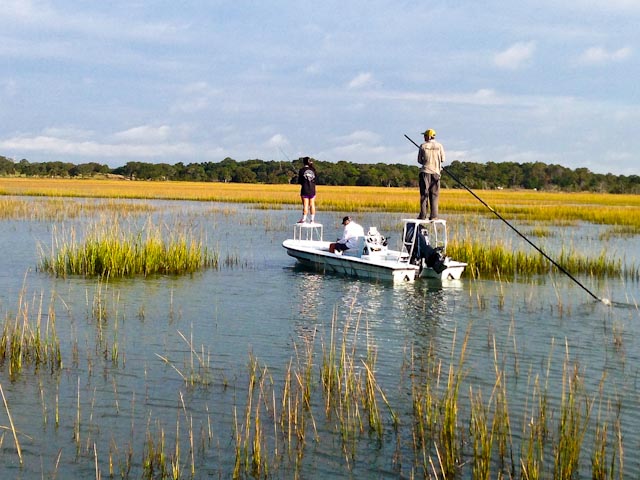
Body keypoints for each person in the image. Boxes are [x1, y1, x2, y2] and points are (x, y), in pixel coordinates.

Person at [417, 129, 445, 220]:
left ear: (429, 136)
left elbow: (419, 160)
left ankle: (423, 215)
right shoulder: (440, 146)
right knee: (434, 195)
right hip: (436, 173)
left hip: (425, 172)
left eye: (425, 135)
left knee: (424, 194)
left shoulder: (423, 146)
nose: (424, 137)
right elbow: (443, 159)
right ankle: (434, 216)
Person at [297, 156, 317, 223]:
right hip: (312, 189)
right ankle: (312, 220)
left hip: (305, 189)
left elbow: (300, 181)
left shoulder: (302, 170)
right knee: (312, 204)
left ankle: (304, 219)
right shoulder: (313, 169)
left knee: (305, 205)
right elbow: (315, 179)